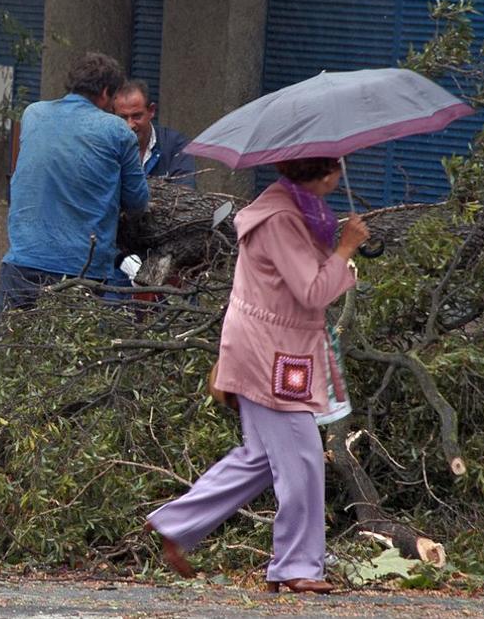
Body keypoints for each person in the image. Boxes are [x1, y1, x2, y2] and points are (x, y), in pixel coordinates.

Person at [144, 156, 370, 594]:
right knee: (302, 457)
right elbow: (312, 291)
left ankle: (176, 523)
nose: (340, 175)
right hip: (272, 353)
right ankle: (296, 566)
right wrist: (346, 248)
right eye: (337, 168)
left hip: (274, 346)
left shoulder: (295, 208)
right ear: (323, 175)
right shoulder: (282, 219)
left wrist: (336, 249)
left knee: (263, 459)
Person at [0, 52, 149, 322]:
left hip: (21, 266)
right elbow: (137, 201)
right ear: (105, 92)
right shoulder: (117, 131)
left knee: (5, 358)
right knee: (74, 362)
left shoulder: (34, 114)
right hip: (81, 272)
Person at [112, 81, 196, 181]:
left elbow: (186, 189)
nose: (130, 125)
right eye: (123, 118)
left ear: (151, 111)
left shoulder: (175, 145)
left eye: (137, 116)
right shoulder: (106, 147)